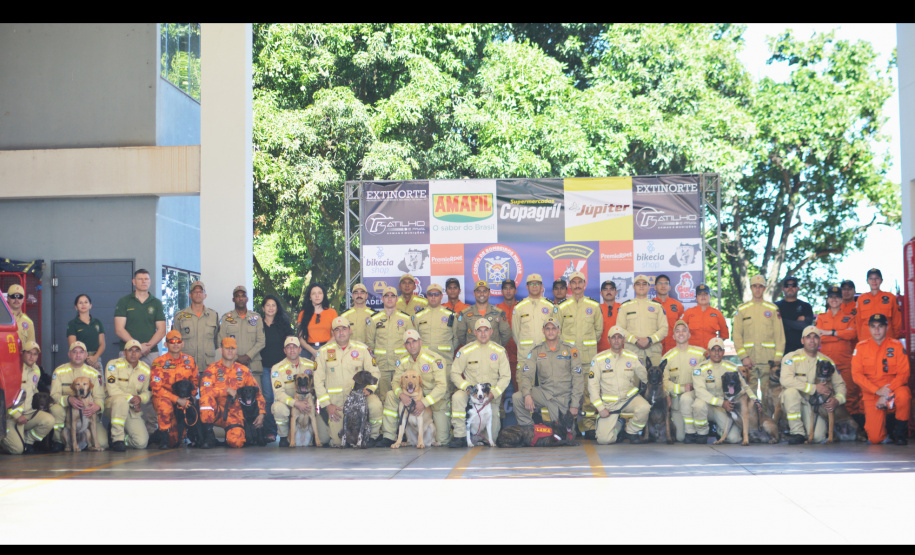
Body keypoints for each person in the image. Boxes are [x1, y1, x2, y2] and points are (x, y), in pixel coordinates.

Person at [314, 316, 382, 448]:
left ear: (350, 330)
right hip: (336, 404)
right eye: (337, 330)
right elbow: (317, 381)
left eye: (344, 329)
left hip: (360, 398)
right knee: (337, 441)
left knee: (375, 405)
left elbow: (375, 373)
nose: (341, 332)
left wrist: (369, 389)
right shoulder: (323, 352)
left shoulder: (362, 349)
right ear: (333, 333)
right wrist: (327, 405)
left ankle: (372, 437)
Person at [377, 329, 450, 448]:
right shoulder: (403, 360)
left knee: (442, 441)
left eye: (414, 341)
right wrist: (401, 395)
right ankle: (389, 436)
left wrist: (424, 402)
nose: (412, 345)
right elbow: (395, 382)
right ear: (405, 345)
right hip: (411, 396)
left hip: (434, 400)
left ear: (420, 342)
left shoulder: (434, 359)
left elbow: (441, 387)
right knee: (391, 395)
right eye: (408, 343)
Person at [448, 318, 511, 447]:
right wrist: (466, 388)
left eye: (486, 330)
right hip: (471, 394)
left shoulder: (499, 351)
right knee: (457, 397)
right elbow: (454, 373)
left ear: (491, 332)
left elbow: (506, 376)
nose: (483, 334)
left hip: (490, 397)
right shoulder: (465, 351)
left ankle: (480, 437)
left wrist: (493, 393)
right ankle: (460, 436)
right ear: (475, 333)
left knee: (491, 438)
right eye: (479, 331)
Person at [779, 326, 848, 444]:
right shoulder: (791, 357)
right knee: (790, 393)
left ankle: (805, 433)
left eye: (816, 337)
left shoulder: (827, 362)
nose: (812, 340)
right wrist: (813, 388)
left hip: (815, 406)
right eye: (808, 337)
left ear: (820, 341)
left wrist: (837, 400)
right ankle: (797, 433)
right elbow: (785, 380)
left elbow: (840, 385)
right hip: (795, 402)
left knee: (817, 437)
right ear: (802, 340)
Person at [852, 314, 911, 445]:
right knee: (875, 438)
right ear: (869, 328)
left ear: (886, 327)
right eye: (873, 327)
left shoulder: (896, 346)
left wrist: (886, 393)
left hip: (893, 388)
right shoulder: (861, 347)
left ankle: (900, 433)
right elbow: (857, 375)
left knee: (904, 396)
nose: (877, 330)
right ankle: (887, 429)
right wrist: (877, 391)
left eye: (880, 326)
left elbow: (904, 373)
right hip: (872, 392)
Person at [513, 317, 583, 427]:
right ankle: (529, 429)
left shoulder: (570, 350)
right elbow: (526, 375)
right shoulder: (537, 350)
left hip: (563, 397)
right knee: (517, 398)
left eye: (553, 328)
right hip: (545, 393)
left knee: (564, 436)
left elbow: (578, 379)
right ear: (543, 331)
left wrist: (574, 404)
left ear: (558, 330)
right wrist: (527, 395)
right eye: (548, 328)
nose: (550, 331)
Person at [198, 337, 266, 449]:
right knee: (205, 400)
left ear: (236, 351)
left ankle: (232, 433)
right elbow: (204, 391)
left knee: (237, 443)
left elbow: (257, 394)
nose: (230, 351)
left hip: (236, 414)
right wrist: (226, 390)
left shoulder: (244, 371)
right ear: (220, 350)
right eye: (227, 348)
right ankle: (209, 436)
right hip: (218, 412)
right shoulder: (212, 369)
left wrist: (261, 413)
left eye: (233, 348)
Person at [816, 285, 864, 438]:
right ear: (827, 300)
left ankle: (855, 430)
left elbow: (852, 334)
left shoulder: (849, 317)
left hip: (845, 362)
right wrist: (840, 334)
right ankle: (832, 430)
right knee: (828, 395)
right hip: (827, 366)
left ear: (841, 299)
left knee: (850, 395)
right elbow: (819, 337)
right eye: (831, 297)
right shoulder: (821, 317)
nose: (834, 300)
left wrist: (830, 332)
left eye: (837, 297)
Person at [557, 271, 602, 437]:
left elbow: (598, 331)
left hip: (587, 358)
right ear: (570, 286)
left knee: (588, 393)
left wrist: (585, 345)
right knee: (568, 394)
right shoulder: (561, 307)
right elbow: (556, 332)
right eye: (573, 282)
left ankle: (589, 426)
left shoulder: (594, 306)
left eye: (580, 282)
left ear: (584, 285)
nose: (577, 285)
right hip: (567, 360)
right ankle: (570, 427)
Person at [589, 325, 650, 444]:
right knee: (604, 440)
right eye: (614, 337)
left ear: (624, 340)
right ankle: (619, 426)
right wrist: (600, 408)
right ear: (609, 339)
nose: (616, 340)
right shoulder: (598, 359)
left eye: (619, 337)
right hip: (609, 405)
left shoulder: (632, 357)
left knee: (645, 408)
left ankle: (631, 431)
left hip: (629, 399)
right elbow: (593, 387)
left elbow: (647, 378)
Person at [732, 274, 785, 407]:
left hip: (769, 361)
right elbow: (737, 335)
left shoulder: (772, 309)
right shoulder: (742, 309)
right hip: (750, 361)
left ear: (764, 288)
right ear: (751, 288)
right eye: (755, 286)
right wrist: (743, 357)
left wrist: (777, 361)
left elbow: (780, 336)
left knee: (769, 395)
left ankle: (767, 422)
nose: (757, 289)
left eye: (760, 286)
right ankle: (753, 423)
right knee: (750, 394)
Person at [691, 337, 757, 444]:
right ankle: (702, 433)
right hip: (708, 406)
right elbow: (700, 392)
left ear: (723, 352)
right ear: (708, 352)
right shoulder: (700, 368)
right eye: (713, 349)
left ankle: (718, 431)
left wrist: (756, 400)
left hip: (724, 410)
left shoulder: (731, 367)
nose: (717, 353)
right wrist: (721, 403)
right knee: (698, 404)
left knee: (734, 439)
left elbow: (745, 386)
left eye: (719, 350)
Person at [512, 274, 560, 410]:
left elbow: (556, 331)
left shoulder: (550, 306)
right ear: (527, 287)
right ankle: (527, 427)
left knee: (549, 394)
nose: (534, 286)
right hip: (526, 358)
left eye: (537, 283)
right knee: (525, 394)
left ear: (542, 286)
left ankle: (546, 427)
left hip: (547, 358)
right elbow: (516, 334)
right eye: (531, 284)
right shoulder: (519, 307)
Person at [271, 336, 330, 447]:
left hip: (308, 406)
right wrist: (296, 403)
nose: (292, 350)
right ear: (284, 350)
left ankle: (313, 436)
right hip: (288, 406)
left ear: (300, 349)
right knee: (278, 408)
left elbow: (320, 383)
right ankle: (284, 437)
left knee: (324, 438)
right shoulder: (277, 368)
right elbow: (278, 393)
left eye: (295, 347)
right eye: (289, 347)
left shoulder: (311, 365)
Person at [49, 341, 108, 451]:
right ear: (69, 354)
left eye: (81, 352)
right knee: (56, 409)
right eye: (74, 352)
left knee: (103, 443)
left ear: (86, 355)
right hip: (67, 416)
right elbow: (53, 395)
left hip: (88, 415)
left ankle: (86, 442)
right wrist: (68, 399)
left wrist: (97, 407)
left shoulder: (94, 373)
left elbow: (100, 396)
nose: (78, 355)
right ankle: (58, 441)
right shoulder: (59, 371)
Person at [1, 342, 54, 455]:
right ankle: (4, 439)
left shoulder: (36, 370)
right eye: (29, 353)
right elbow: (5, 396)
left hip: (28, 413)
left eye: (35, 354)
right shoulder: (13, 369)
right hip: (10, 416)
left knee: (49, 420)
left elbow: (34, 390)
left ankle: (27, 442)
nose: (32, 356)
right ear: (22, 353)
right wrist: (17, 415)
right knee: (17, 450)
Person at [150, 331, 199, 449]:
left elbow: (195, 382)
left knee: (176, 441)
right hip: (164, 399)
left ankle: (158, 437)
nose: (175, 344)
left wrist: (191, 396)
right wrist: (177, 399)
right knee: (165, 406)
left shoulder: (190, 360)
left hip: (184, 400)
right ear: (166, 344)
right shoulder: (159, 362)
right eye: (172, 341)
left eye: (178, 341)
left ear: (183, 344)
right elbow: (156, 388)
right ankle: (163, 437)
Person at [366, 286, 415, 401]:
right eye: (386, 296)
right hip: (381, 366)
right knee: (383, 397)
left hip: (400, 366)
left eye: (392, 296)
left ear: (397, 299)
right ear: (382, 299)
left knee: (403, 396)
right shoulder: (374, 319)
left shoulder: (405, 318)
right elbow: (370, 343)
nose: (389, 298)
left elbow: (411, 342)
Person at [660, 321, 706, 443]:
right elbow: (664, 382)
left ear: (689, 335)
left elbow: (706, 376)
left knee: (689, 399)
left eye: (684, 330)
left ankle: (701, 431)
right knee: (680, 437)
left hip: (696, 398)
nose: (681, 333)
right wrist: (681, 389)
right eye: (677, 331)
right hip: (677, 404)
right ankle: (693, 431)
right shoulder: (667, 357)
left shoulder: (700, 354)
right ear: (674, 336)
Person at [105, 339, 152, 451]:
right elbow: (112, 389)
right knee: (121, 401)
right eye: (130, 350)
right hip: (113, 405)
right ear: (124, 352)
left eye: (137, 350)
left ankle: (120, 438)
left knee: (141, 443)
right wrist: (131, 398)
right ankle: (117, 439)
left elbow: (147, 392)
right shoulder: (113, 365)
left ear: (141, 353)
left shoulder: (145, 369)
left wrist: (140, 398)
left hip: (132, 408)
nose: (133, 353)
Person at [113, 269, 166, 366]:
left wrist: (147, 347)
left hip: (151, 351)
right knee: (125, 379)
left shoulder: (156, 303)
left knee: (153, 380)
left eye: (146, 279)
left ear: (150, 281)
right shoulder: (124, 301)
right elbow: (119, 329)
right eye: (140, 279)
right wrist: (137, 347)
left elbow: (162, 330)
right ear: (134, 282)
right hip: (128, 351)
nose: (144, 281)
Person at [259, 294, 293, 441]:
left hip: (281, 368)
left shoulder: (284, 324)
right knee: (268, 399)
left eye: (273, 305)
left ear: (277, 308)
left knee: (284, 396)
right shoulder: (258, 325)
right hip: (265, 367)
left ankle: (289, 430)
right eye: (268, 305)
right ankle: (271, 432)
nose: (271, 308)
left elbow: (292, 342)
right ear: (263, 308)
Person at [217, 285, 266, 379]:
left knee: (255, 393)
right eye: (237, 296)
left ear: (247, 299)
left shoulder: (256, 318)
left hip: (253, 366)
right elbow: (221, 342)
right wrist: (236, 357)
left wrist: (247, 356)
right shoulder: (226, 319)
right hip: (231, 365)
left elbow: (261, 341)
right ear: (233, 299)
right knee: (232, 393)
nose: (240, 298)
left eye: (243, 296)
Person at [620, 274, 668, 366]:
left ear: (649, 287)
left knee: (655, 380)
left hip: (653, 353)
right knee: (633, 380)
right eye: (638, 284)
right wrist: (635, 341)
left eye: (644, 284)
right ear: (634, 287)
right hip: (632, 353)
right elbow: (620, 329)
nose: (641, 286)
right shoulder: (625, 307)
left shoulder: (657, 306)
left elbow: (664, 329)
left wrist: (650, 340)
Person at [172, 280, 219, 370]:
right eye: (195, 291)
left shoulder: (213, 315)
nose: (198, 294)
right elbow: (175, 341)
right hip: (186, 366)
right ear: (190, 295)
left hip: (208, 366)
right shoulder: (180, 316)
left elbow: (216, 341)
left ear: (205, 295)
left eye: (201, 292)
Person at [454, 280, 511, 349]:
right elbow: (461, 335)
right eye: (478, 291)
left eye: (484, 291)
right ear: (474, 293)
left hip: (493, 354)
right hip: (473, 354)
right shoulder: (465, 314)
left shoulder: (498, 313)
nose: (481, 294)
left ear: (489, 293)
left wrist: (496, 345)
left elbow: (506, 334)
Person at [855, 268, 903, 340]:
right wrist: (861, 340)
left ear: (881, 280)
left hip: (887, 341)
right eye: (871, 278)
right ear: (867, 281)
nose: (874, 281)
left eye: (877, 278)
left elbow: (897, 322)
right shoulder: (861, 299)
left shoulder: (891, 298)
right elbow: (858, 323)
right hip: (867, 341)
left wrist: (893, 339)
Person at [681, 284, 729, 353]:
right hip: (692, 353)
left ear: (710, 297)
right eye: (700, 294)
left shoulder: (717, 314)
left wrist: (715, 346)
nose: (703, 296)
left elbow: (724, 335)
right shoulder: (688, 313)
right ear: (696, 298)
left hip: (711, 353)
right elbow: (680, 332)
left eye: (706, 294)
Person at [297, 284, 338, 360]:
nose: (317, 296)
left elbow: (335, 335)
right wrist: (313, 352)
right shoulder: (302, 314)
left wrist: (320, 351)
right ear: (310, 297)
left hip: (328, 348)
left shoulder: (332, 312)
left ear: (323, 295)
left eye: (320, 293)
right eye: (314, 293)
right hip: (308, 351)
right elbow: (300, 338)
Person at [775, 276, 815, 355]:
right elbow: (772, 325)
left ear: (798, 288)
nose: (790, 287)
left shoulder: (805, 306)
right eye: (787, 285)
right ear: (783, 289)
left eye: (793, 285)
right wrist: (795, 323)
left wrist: (781, 320)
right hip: (780, 351)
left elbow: (804, 325)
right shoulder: (775, 306)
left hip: (800, 351)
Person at [66, 293, 106, 371]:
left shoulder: (97, 322)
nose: (83, 304)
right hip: (79, 360)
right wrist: (85, 358)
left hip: (95, 360)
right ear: (76, 307)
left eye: (86, 302)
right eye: (80, 303)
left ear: (90, 305)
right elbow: (72, 345)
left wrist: (95, 357)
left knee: (98, 382)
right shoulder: (72, 324)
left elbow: (102, 344)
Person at [496, 279, 520, 391]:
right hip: (501, 356)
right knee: (499, 390)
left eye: (511, 288)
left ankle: (521, 409)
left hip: (519, 356)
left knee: (520, 388)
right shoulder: (496, 309)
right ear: (502, 291)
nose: (508, 291)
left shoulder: (521, 307)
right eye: (505, 288)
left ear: (515, 290)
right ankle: (499, 409)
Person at [653, 274, 684, 354]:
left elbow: (683, 328)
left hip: (674, 347)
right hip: (655, 347)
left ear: (670, 287)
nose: (663, 286)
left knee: (674, 367)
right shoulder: (650, 305)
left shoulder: (678, 305)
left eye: (666, 283)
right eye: (660, 283)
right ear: (655, 287)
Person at [6, 283, 35, 347]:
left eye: (20, 297)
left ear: (23, 299)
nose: (16, 300)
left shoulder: (29, 322)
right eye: (13, 296)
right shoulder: (2, 318)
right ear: (8, 298)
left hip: (20, 357)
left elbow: (31, 349)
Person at [596, 280, 621, 353]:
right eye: (605, 289)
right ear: (601, 293)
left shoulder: (622, 308)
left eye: (611, 289)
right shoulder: (596, 309)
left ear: (616, 292)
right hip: (600, 352)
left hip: (620, 352)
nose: (608, 291)